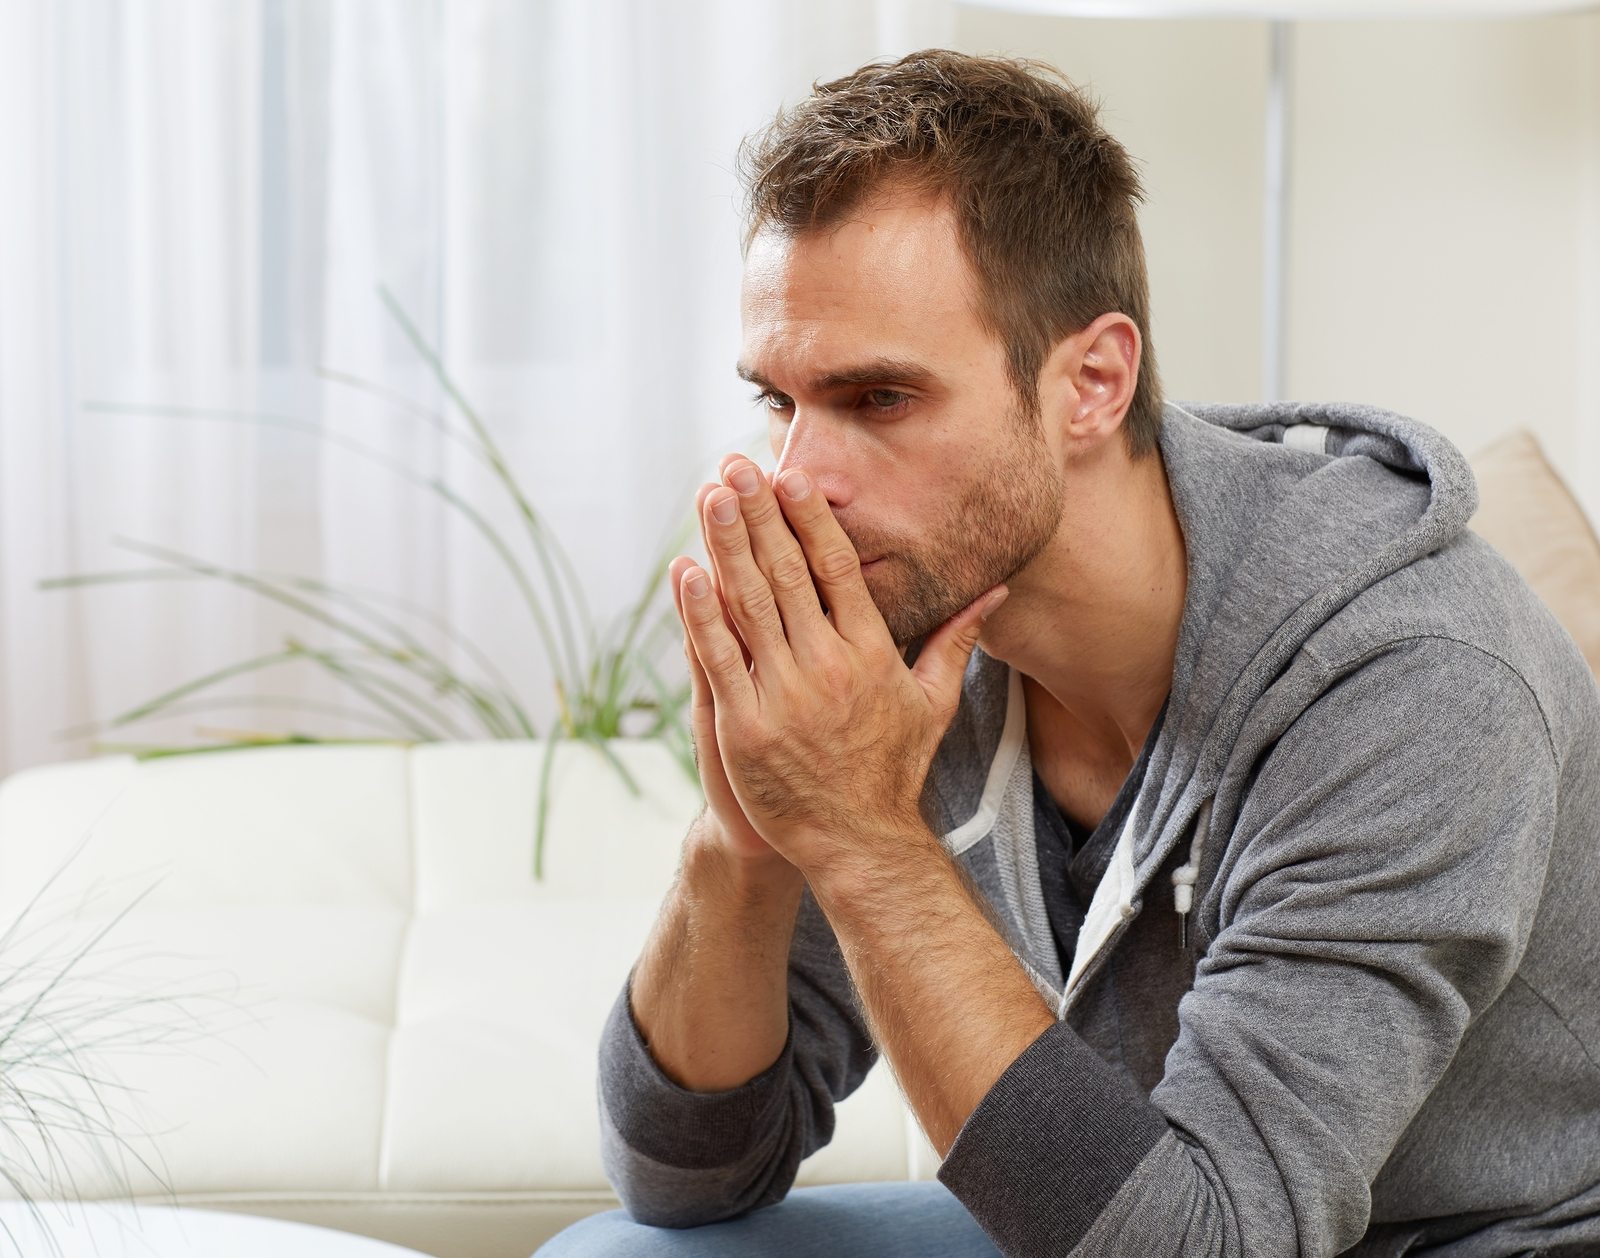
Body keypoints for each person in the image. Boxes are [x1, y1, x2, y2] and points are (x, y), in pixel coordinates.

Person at [536, 48, 1600, 1257]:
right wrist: (745, 836)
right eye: (778, 403)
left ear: (1092, 380)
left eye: (878, 398)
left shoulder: (1418, 680)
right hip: (1137, 1208)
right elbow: (686, 1173)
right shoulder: (919, 624)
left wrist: (859, 834)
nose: (797, 483)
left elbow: (1203, 1244)